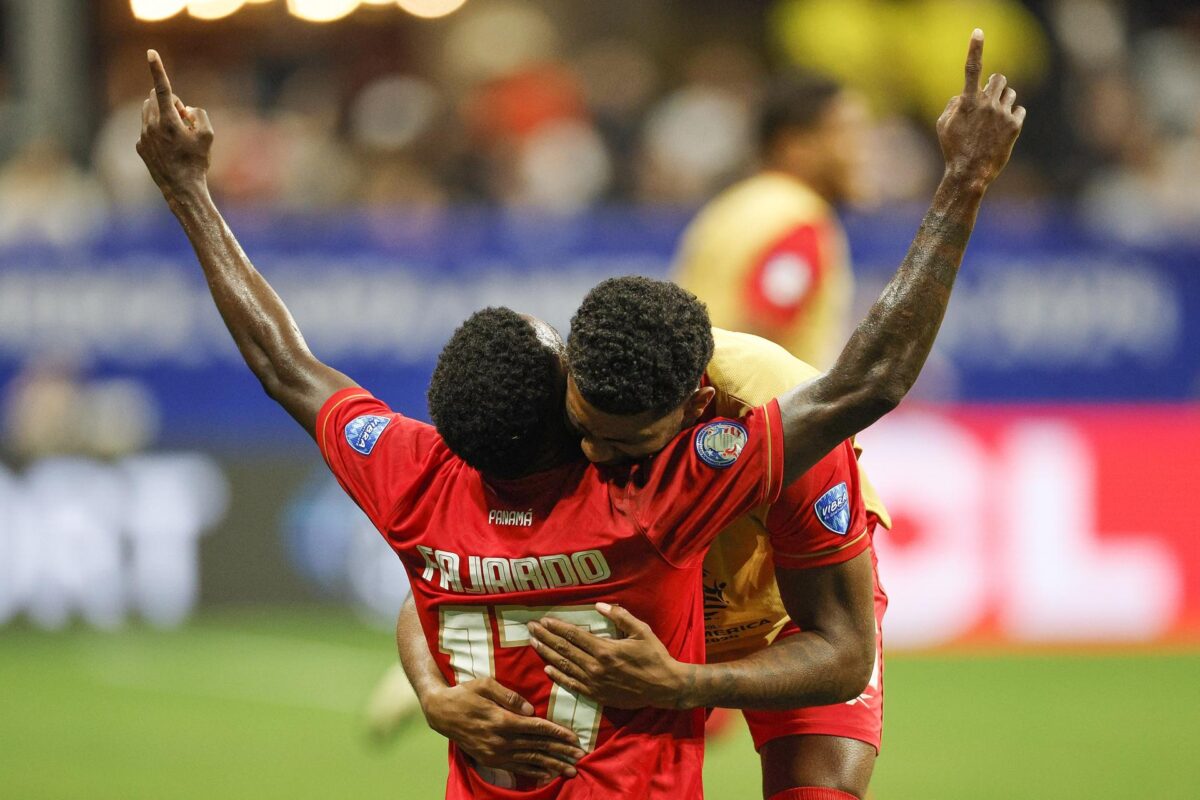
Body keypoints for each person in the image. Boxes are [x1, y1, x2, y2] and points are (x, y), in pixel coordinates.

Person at [137, 25, 1022, 798]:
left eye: (621, 441)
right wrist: (440, 689)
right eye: (583, 425)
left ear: (687, 409)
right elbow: (443, 573)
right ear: (565, 373)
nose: (594, 454)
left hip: (777, 615)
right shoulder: (598, 451)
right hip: (658, 623)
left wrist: (684, 681)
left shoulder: (770, 417)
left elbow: (841, 645)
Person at [671, 72, 869, 371]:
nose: (862, 153)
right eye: (845, 133)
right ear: (794, 145)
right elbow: (764, 322)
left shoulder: (728, 207)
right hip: (753, 413)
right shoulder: (800, 219)